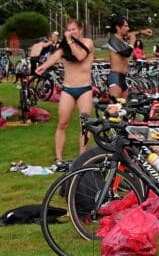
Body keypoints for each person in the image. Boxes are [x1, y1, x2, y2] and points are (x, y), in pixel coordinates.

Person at [34, 19, 95, 172]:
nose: (71, 32)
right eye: (69, 29)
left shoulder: (88, 42)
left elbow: (80, 56)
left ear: (80, 30)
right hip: (68, 89)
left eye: (74, 29)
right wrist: (44, 66)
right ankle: (59, 158)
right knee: (62, 123)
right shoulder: (65, 45)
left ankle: (82, 158)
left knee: (84, 124)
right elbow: (57, 55)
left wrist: (69, 40)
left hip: (85, 89)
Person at [107, 15, 152, 99]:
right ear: (118, 27)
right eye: (126, 26)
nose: (128, 28)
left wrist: (142, 31)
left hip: (123, 77)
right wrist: (132, 42)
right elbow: (126, 53)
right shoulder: (113, 40)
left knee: (124, 109)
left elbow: (131, 34)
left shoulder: (121, 39)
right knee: (114, 107)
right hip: (115, 76)